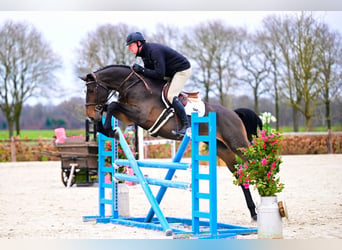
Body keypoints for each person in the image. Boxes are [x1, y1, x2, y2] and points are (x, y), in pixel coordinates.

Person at [126, 31, 192, 137]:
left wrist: (142, 70)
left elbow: (159, 74)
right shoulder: (144, 54)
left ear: (139, 43)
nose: (129, 48)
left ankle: (187, 126)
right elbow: (150, 75)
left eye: (131, 45)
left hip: (181, 71)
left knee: (171, 96)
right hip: (169, 72)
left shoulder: (154, 51)